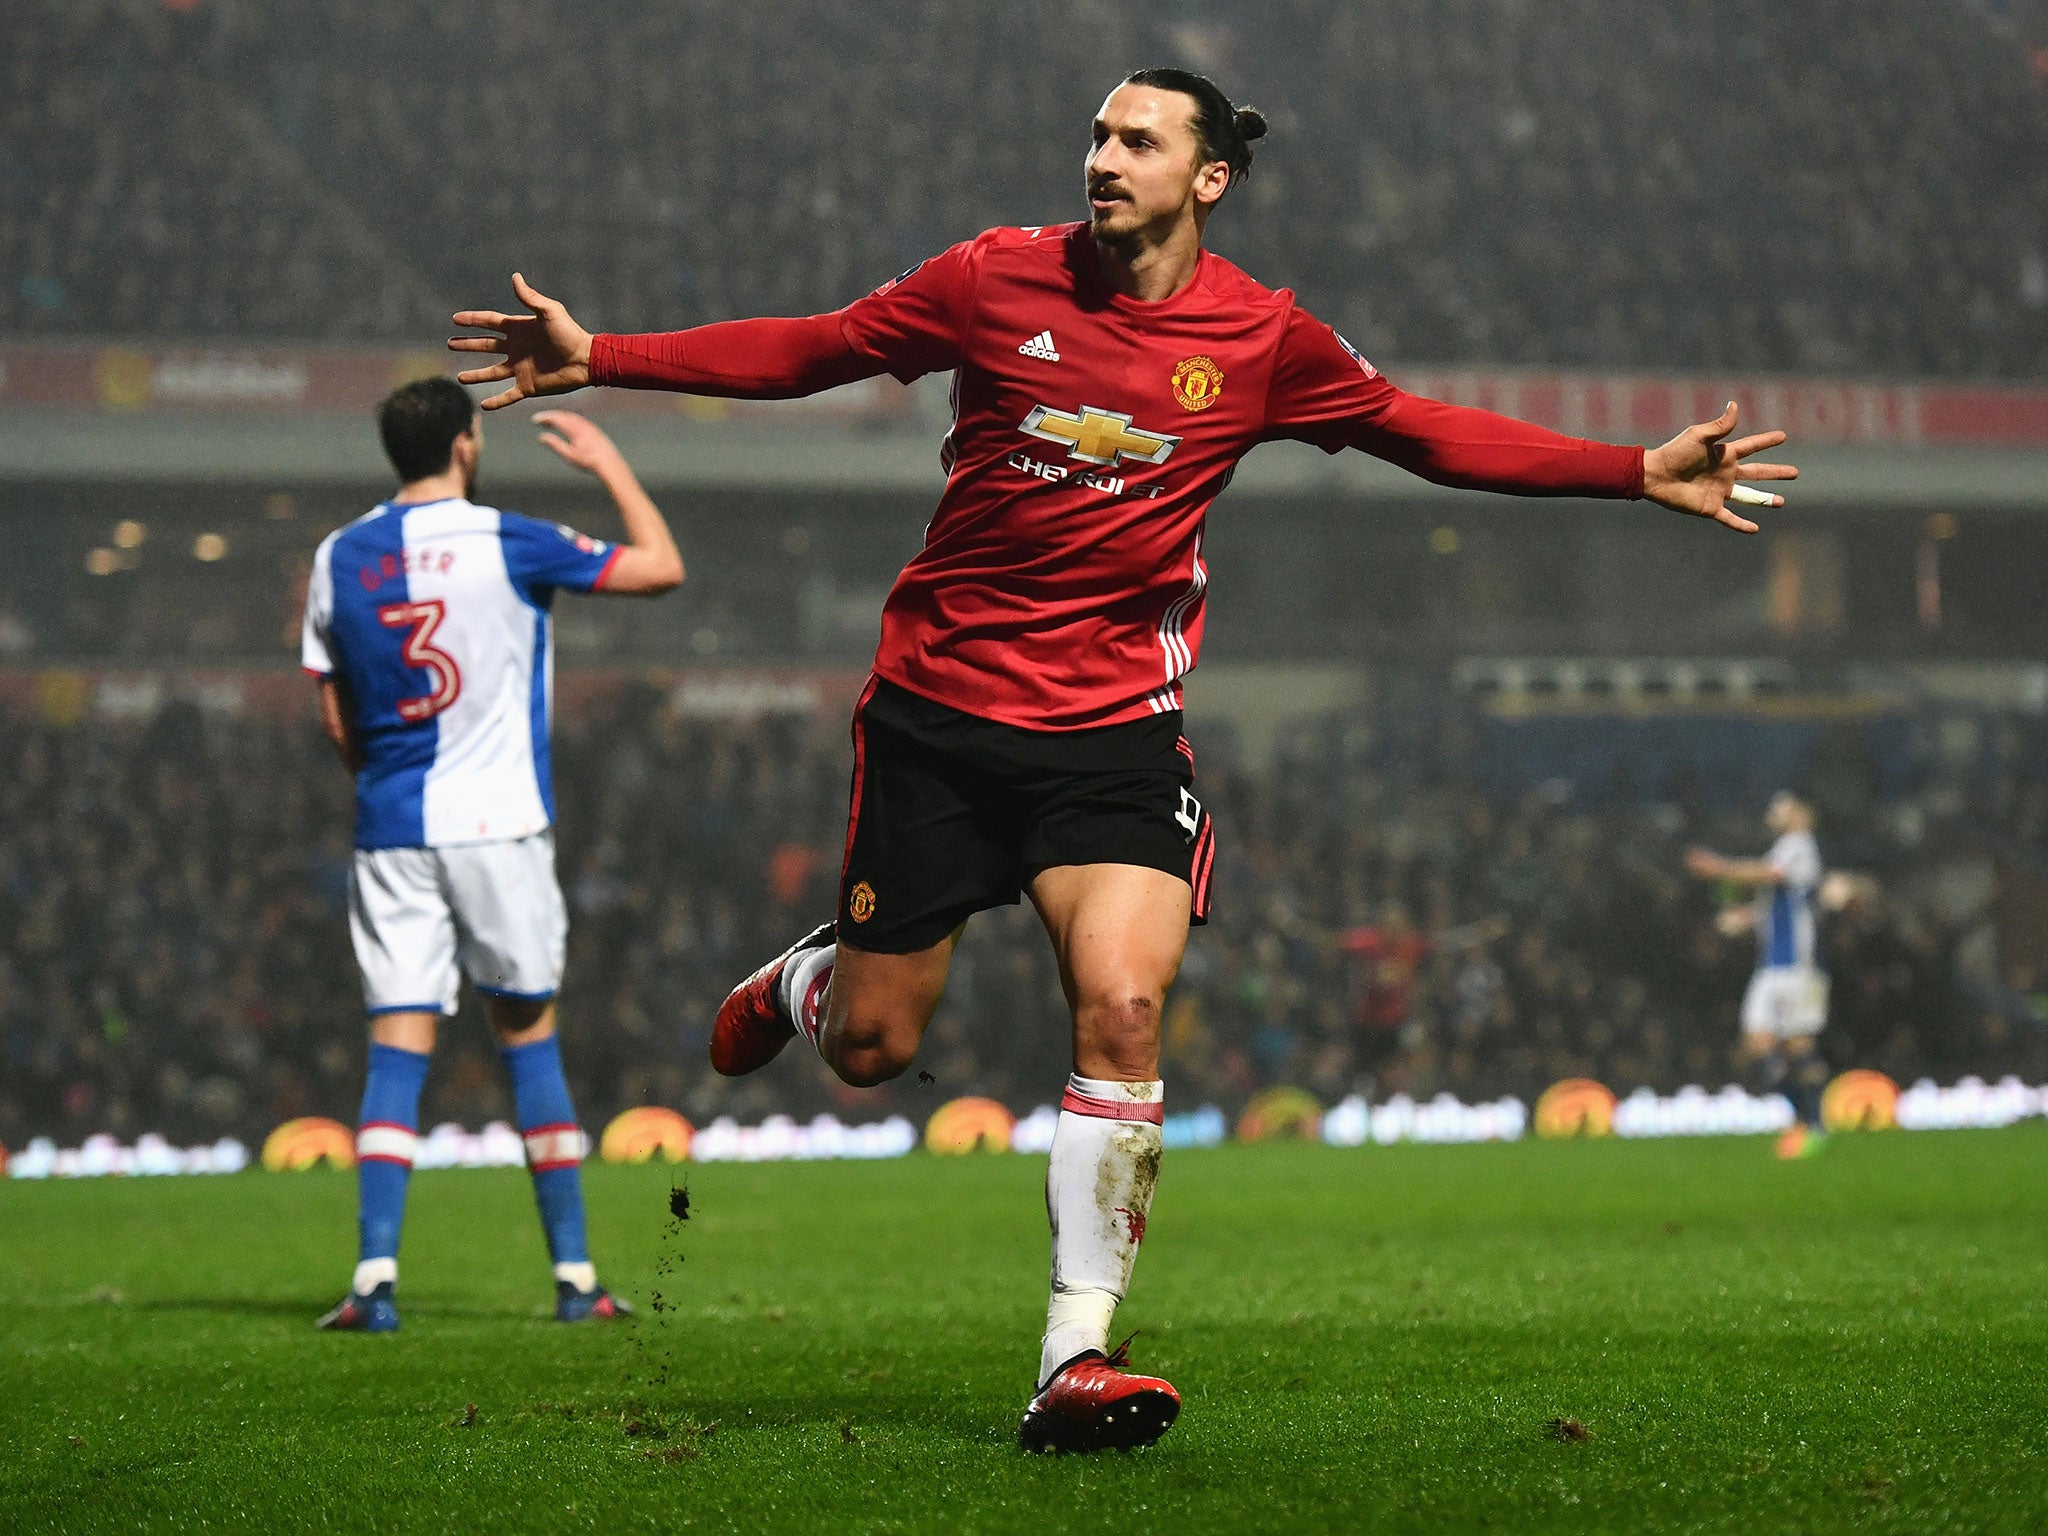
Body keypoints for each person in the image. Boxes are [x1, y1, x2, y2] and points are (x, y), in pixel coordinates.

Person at [448, 68, 1796, 1446]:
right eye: (1098, 133)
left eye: (1138, 140)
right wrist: (605, 352)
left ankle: (1071, 1359)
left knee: (1127, 1012)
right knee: (871, 1049)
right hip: (939, 718)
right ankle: (812, 983)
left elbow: (1421, 434)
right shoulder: (993, 279)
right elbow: (817, 348)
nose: (1103, 156)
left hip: (1112, 738)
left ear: (1208, 178)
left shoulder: (1262, 336)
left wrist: (1631, 471)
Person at [304, 378, 683, 1331]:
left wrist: (386, 782)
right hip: (500, 825)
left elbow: (334, 711)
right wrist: (605, 464)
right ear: (467, 445)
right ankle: (574, 1281)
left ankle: (374, 1282)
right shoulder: (510, 539)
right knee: (527, 1038)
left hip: (392, 826)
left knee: (397, 1048)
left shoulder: (340, 554)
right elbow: (659, 569)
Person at [1686, 792, 1830, 1159]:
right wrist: (1745, 918)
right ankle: (1803, 1121)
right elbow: (1780, 903)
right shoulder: (1785, 849)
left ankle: (1813, 1126)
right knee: (1758, 1042)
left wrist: (1719, 868)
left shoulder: (1800, 845)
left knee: (1797, 1044)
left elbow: (1770, 874)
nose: (1776, 809)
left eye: (1785, 804)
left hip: (1797, 965)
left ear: (1802, 813)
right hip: (1772, 965)